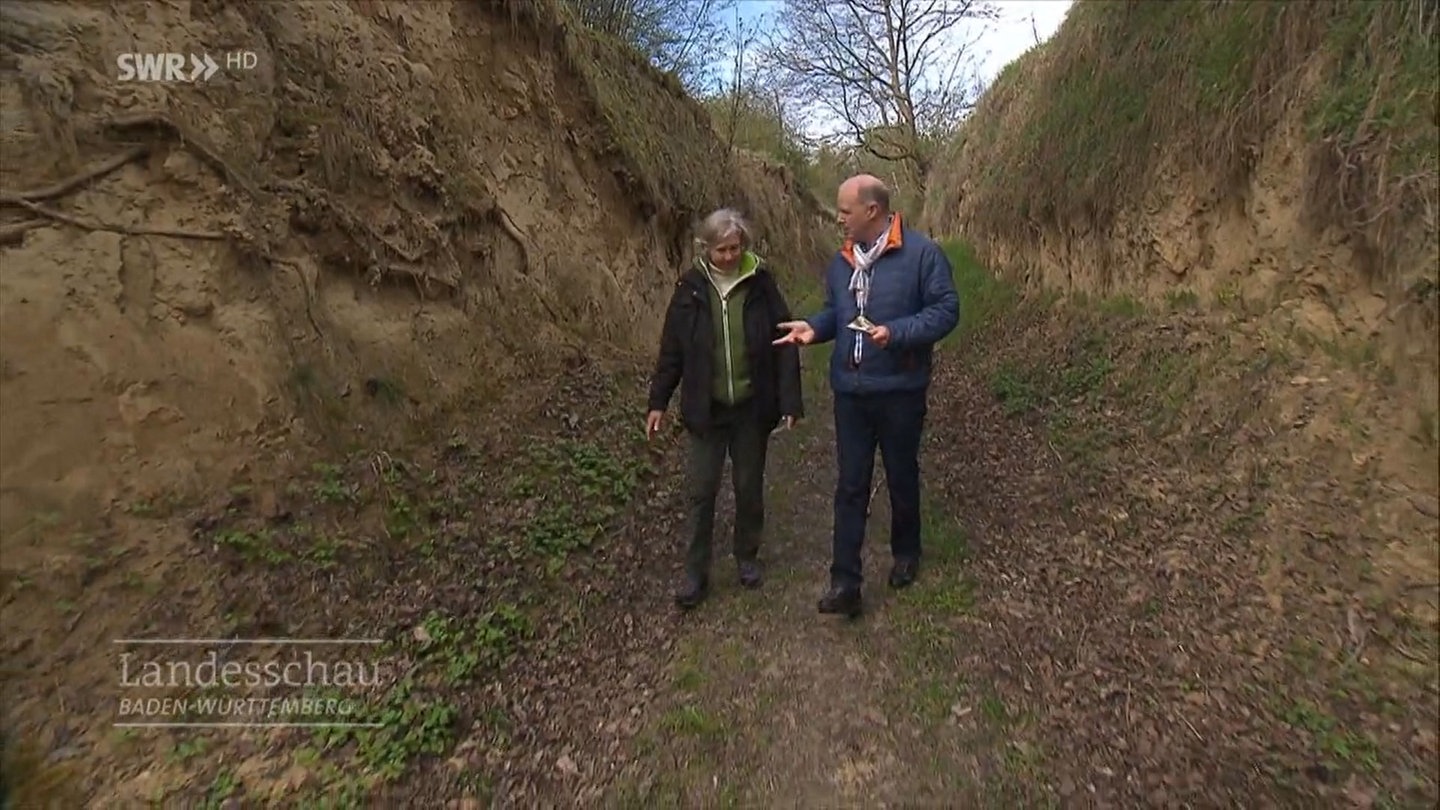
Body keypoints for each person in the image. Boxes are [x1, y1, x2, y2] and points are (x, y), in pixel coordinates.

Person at [773, 175, 959, 617]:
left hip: (900, 391)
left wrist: (896, 333)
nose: (838, 218)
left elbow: (946, 310)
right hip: (850, 393)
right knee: (850, 485)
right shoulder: (841, 263)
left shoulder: (922, 255)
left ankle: (906, 553)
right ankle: (845, 582)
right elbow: (839, 313)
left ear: (871, 211)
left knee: (900, 476)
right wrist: (815, 328)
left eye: (844, 211)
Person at [647, 207, 805, 610]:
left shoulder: (761, 283)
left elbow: (785, 340)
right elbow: (672, 349)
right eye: (721, 250)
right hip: (707, 410)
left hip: (751, 408)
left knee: (748, 488)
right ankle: (695, 573)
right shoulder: (690, 288)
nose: (729, 256)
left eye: (735, 248)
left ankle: (747, 557)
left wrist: (790, 400)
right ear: (707, 249)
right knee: (701, 492)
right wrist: (658, 402)